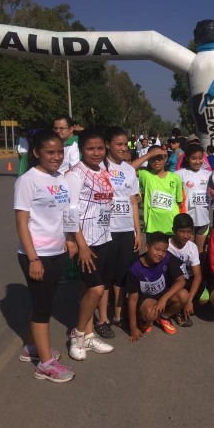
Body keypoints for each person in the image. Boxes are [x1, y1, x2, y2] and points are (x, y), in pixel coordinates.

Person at [15, 130, 76, 382]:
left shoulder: (60, 178)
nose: (56, 157)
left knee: (45, 301)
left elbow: (66, 212)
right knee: (43, 307)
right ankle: (45, 364)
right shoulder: (28, 180)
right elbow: (21, 222)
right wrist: (33, 259)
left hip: (57, 251)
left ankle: (32, 347)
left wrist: (70, 239)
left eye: (60, 152)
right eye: (50, 152)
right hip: (37, 254)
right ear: (36, 152)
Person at [65, 128, 115, 360]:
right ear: (81, 149)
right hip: (85, 241)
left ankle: (88, 334)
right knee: (96, 289)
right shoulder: (75, 174)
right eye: (90, 148)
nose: (96, 153)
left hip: (103, 237)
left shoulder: (103, 170)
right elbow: (70, 211)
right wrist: (81, 245)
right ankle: (77, 334)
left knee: (89, 288)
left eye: (100, 148)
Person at [95, 127, 141, 338]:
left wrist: (137, 232)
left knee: (122, 275)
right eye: (119, 144)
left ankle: (118, 315)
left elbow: (133, 202)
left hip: (126, 230)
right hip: (105, 230)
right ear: (108, 145)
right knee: (105, 276)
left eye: (125, 144)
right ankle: (103, 319)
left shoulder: (129, 170)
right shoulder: (99, 167)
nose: (123, 148)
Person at [126, 232, 188, 341]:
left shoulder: (167, 258)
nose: (161, 254)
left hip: (163, 294)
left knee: (184, 295)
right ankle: (144, 320)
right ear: (147, 247)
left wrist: (163, 299)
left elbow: (181, 281)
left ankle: (164, 316)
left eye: (164, 251)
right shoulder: (135, 268)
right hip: (146, 299)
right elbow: (132, 299)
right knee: (150, 314)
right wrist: (133, 327)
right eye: (157, 249)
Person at [132, 145, 183, 236]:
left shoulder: (175, 178)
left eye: (159, 158)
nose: (156, 161)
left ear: (165, 158)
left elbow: (179, 202)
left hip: (171, 226)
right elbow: (128, 170)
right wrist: (148, 155)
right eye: (153, 158)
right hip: (152, 227)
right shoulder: (146, 175)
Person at [167, 214, 208, 327]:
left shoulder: (192, 247)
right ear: (174, 230)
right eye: (182, 232)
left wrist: (189, 300)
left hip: (187, 279)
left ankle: (185, 303)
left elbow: (197, 275)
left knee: (204, 298)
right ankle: (175, 310)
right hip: (172, 281)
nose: (186, 236)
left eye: (189, 232)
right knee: (180, 295)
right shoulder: (166, 246)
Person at [177, 144, 212, 253]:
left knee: (200, 252)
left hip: (203, 221)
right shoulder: (179, 174)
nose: (197, 162)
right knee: (187, 252)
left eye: (200, 158)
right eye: (193, 158)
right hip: (187, 221)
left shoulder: (209, 174)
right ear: (187, 158)